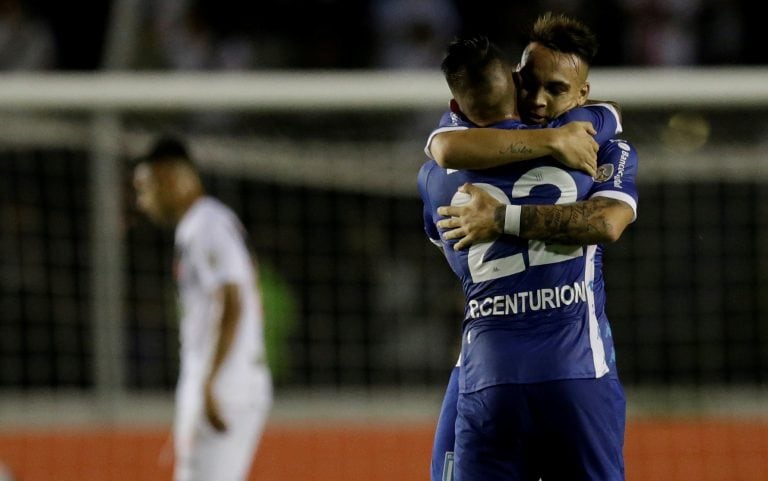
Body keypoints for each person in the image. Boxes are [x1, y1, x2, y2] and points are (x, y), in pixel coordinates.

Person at [419, 14, 638, 481]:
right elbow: (606, 219)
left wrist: (501, 218)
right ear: (514, 79)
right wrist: (557, 138)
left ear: (582, 94)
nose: (538, 101)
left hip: (486, 371)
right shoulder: (600, 147)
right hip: (574, 368)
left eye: (555, 90)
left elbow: (443, 151)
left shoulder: (437, 174)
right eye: (528, 84)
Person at [133, 136, 273, 481]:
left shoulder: (205, 224)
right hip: (228, 380)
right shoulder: (203, 223)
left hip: (225, 383)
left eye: (144, 187)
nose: (142, 202)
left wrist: (209, 382)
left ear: (169, 177)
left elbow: (232, 299)